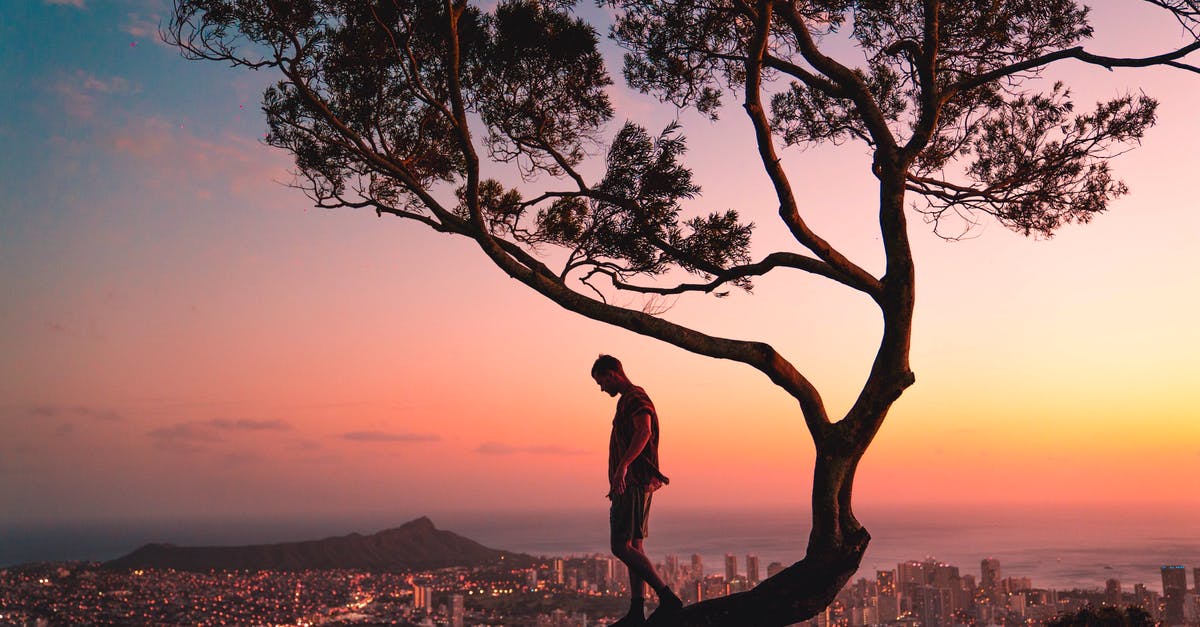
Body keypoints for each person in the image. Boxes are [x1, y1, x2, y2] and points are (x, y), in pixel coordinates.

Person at [591, 354, 683, 625]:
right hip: (635, 483)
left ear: (612, 374)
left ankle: (667, 597)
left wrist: (623, 467)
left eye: (601, 382)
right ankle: (636, 610)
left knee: (620, 546)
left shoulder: (634, 397)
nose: (601, 388)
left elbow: (643, 431)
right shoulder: (628, 399)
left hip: (632, 483)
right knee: (634, 546)